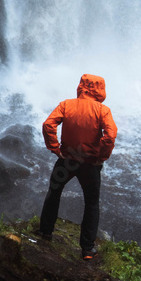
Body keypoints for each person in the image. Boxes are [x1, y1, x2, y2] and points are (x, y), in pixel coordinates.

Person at [36, 73, 117, 260]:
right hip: (90, 164)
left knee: (54, 192)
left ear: (81, 86)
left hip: (67, 160)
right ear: (100, 89)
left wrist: (55, 149)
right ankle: (87, 249)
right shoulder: (102, 110)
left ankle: (45, 232)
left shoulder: (66, 104)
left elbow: (49, 124)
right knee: (91, 203)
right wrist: (101, 157)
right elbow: (110, 136)